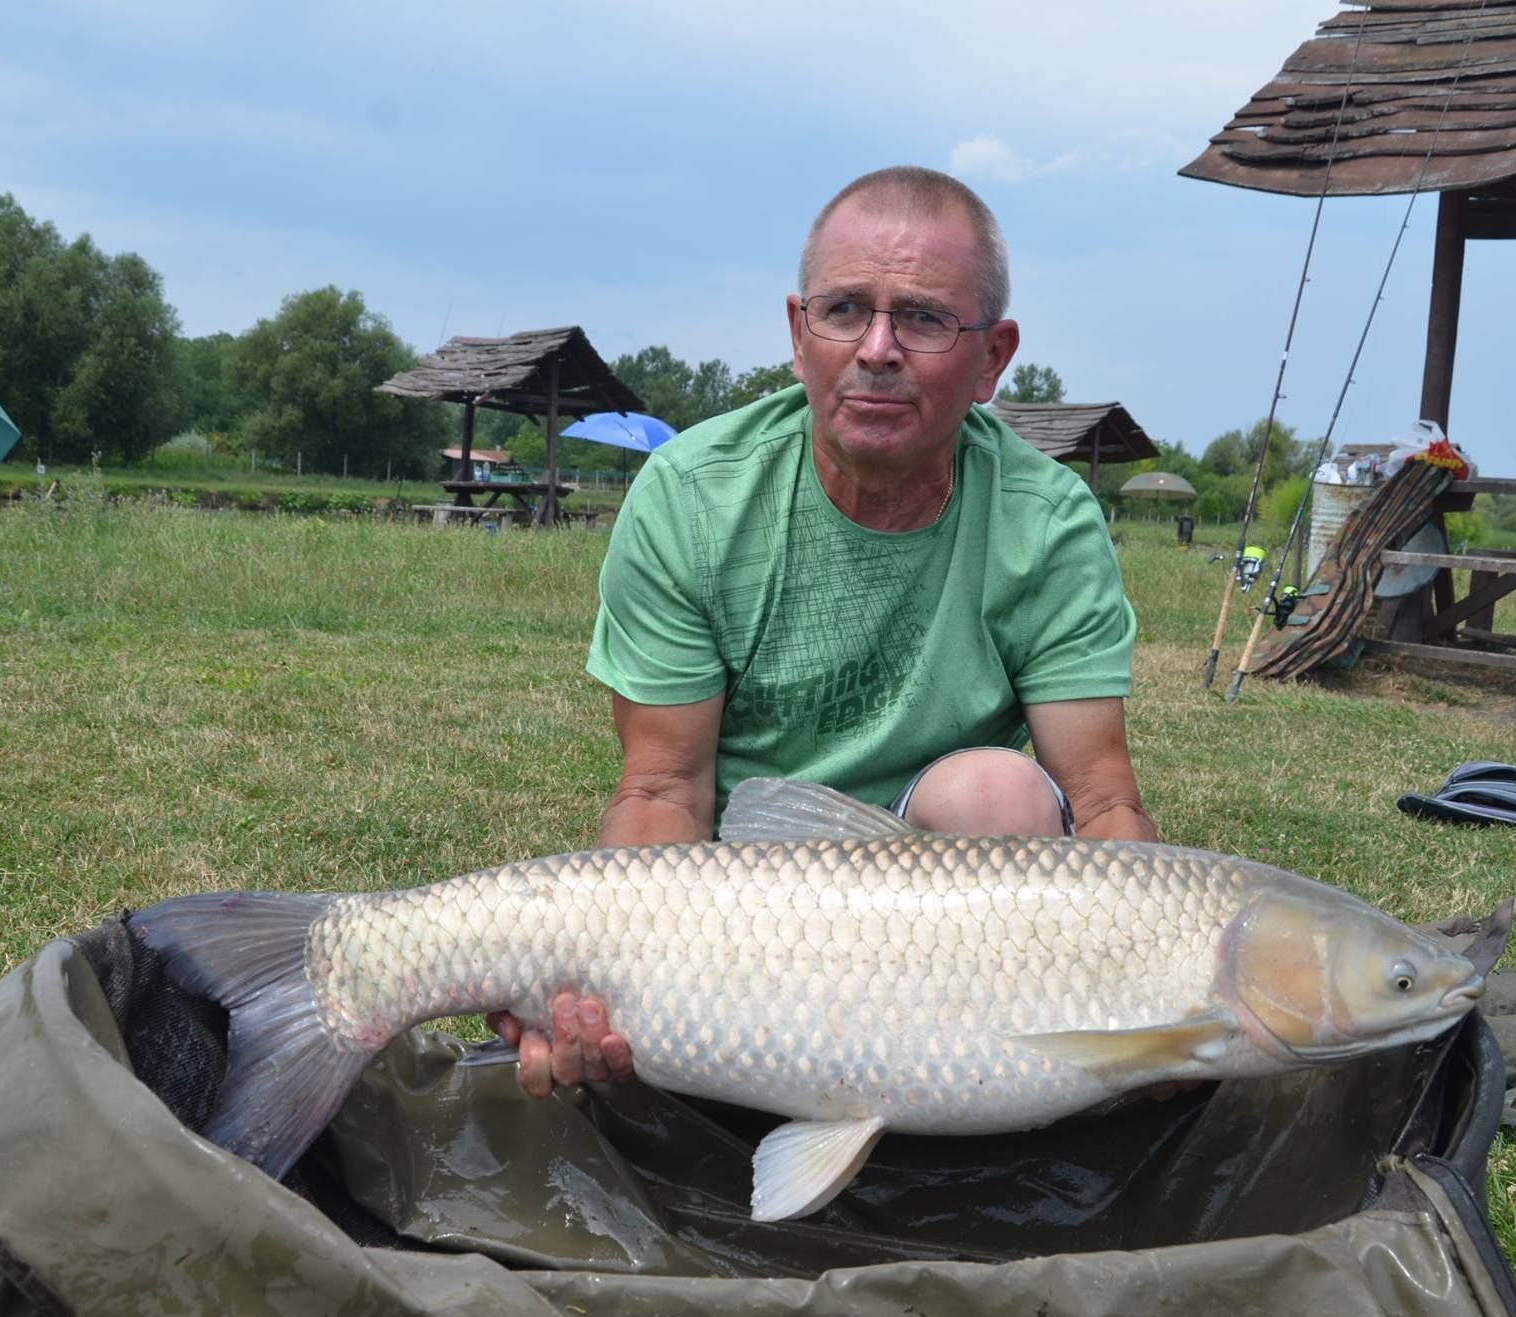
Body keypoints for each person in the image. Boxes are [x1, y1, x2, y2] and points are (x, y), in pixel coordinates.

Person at [491, 166, 1160, 1095]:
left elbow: (1101, 805)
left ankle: (930, 1077)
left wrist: (1156, 1006)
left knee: (1001, 797)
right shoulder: (692, 498)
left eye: (924, 319)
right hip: (747, 910)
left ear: (994, 357)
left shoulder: (1046, 522)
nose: (877, 349)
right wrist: (600, 991)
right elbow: (663, 790)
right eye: (846, 310)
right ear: (799, 333)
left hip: (953, 918)